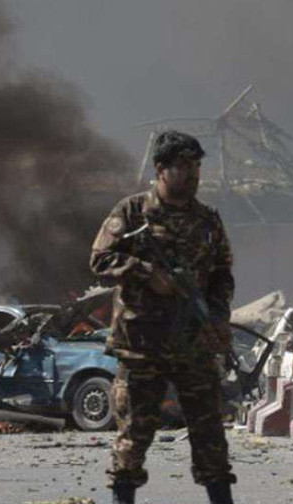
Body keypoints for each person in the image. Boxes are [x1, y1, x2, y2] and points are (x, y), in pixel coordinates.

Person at [90, 130, 236, 504]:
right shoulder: (132, 212)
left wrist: (219, 318)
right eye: (184, 166)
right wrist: (144, 272)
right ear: (160, 169)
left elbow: (222, 275)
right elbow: (100, 260)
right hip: (142, 344)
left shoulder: (207, 221)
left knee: (210, 436)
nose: (193, 175)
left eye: (197, 167)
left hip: (193, 343)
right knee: (133, 436)